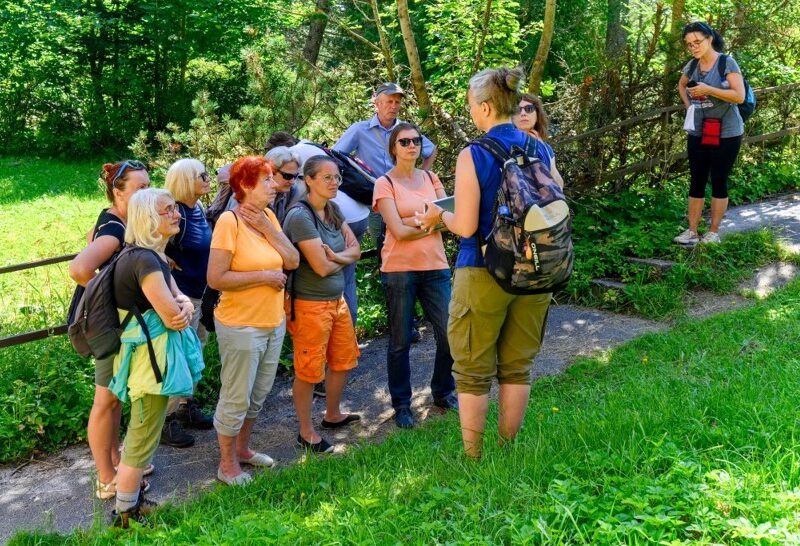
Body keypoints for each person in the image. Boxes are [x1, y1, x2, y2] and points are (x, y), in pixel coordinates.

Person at [416, 67, 551, 459]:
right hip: (536, 268)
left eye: (473, 106)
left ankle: (474, 458)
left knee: (473, 369)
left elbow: (467, 224)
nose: (472, 113)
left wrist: (437, 217)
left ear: (487, 106)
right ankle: (507, 450)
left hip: (484, 269)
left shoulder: (473, 153)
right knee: (517, 365)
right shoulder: (539, 147)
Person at [108, 188, 204, 527]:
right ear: (149, 217)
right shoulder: (145, 261)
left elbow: (183, 302)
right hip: (152, 361)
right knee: (143, 434)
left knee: (144, 429)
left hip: (151, 356)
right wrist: (182, 306)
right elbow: (174, 315)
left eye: (175, 209)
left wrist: (184, 304)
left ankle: (131, 501)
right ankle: (125, 514)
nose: (177, 214)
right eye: (168, 211)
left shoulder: (148, 256)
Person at [207, 156, 299, 485]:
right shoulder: (228, 222)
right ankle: (227, 464)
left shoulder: (268, 216)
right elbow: (216, 277)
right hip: (240, 325)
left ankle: (243, 450)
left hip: (272, 321)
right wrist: (264, 276)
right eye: (267, 180)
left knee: (258, 394)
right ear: (246, 186)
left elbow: (292, 259)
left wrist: (266, 228)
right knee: (236, 396)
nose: (275, 185)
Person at [68, 160, 152, 500]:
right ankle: (106, 479)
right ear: (118, 191)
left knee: (116, 396)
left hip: (107, 321)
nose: (147, 192)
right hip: (103, 323)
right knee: (105, 400)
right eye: (140, 188)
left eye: (150, 185)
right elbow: (79, 269)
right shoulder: (116, 229)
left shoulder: (114, 218)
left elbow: (91, 241)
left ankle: (117, 460)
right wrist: (107, 298)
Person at [334, 82, 436, 340]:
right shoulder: (360, 130)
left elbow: (431, 150)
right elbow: (335, 157)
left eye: (397, 101)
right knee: (388, 258)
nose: (393, 106)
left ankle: (417, 319)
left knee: (416, 251)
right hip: (378, 202)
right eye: (388, 101)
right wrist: (355, 184)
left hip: (408, 200)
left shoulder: (406, 132)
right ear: (376, 103)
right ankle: (402, 323)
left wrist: (421, 175)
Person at [373, 123, 457, 429]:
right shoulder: (384, 184)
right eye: (404, 141)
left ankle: (443, 391)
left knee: (450, 333)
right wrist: (430, 220)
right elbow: (396, 230)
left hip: (435, 266)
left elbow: (451, 218)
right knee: (400, 341)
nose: (411, 145)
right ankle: (402, 405)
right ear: (394, 148)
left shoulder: (431, 177)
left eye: (416, 141)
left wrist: (417, 221)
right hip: (399, 270)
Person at [282, 155, 362, 453]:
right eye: (327, 177)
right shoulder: (300, 216)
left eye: (337, 177)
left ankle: (332, 414)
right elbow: (319, 267)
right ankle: (306, 432)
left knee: (343, 360)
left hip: (336, 300)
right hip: (309, 305)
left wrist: (336, 256)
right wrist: (339, 258)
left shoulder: (333, 209)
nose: (334, 183)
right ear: (309, 180)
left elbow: (356, 249)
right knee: (309, 369)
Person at [674, 21, 745, 246]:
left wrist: (708, 90)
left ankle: (713, 232)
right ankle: (692, 231)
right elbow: (681, 85)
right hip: (699, 130)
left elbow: (739, 96)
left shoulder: (726, 62)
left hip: (727, 131)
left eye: (697, 42)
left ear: (709, 39)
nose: (693, 47)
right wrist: (690, 107)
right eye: (689, 44)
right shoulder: (692, 65)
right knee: (696, 179)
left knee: (719, 179)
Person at [161, 158, 215, 448]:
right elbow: (142, 240)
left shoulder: (198, 209)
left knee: (197, 351)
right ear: (185, 181)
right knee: (180, 358)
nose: (207, 179)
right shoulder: (175, 213)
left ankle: (186, 406)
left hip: (201, 293)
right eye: (201, 175)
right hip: (182, 298)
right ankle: (164, 421)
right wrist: (162, 257)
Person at [513, 93, 565, 187]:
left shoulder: (546, 148)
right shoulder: (507, 142)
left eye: (529, 109)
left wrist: (540, 146)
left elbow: (558, 182)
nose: (523, 113)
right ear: (511, 117)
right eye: (517, 110)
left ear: (537, 115)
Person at [265, 146, 302, 224]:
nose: (292, 181)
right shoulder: (251, 193)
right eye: (287, 176)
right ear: (270, 171)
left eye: (295, 176)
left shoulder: (291, 191)